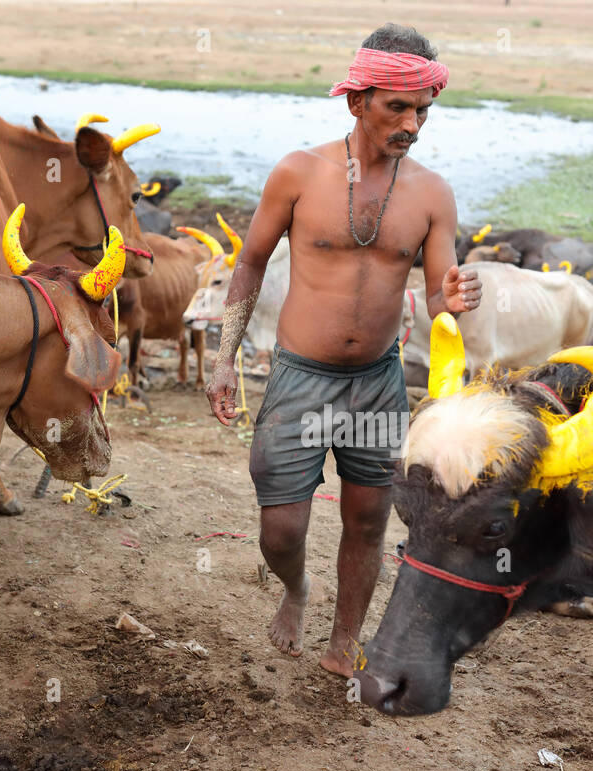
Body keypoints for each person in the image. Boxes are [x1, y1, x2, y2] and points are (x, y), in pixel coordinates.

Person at [205, 22, 481, 677]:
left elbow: (440, 300)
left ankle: (344, 639)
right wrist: (224, 359)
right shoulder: (298, 174)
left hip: (379, 384)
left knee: (367, 520)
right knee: (283, 531)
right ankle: (296, 589)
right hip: (300, 378)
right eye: (397, 107)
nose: (412, 123)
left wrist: (455, 297)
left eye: (423, 111)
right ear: (357, 101)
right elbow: (247, 266)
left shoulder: (433, 193)